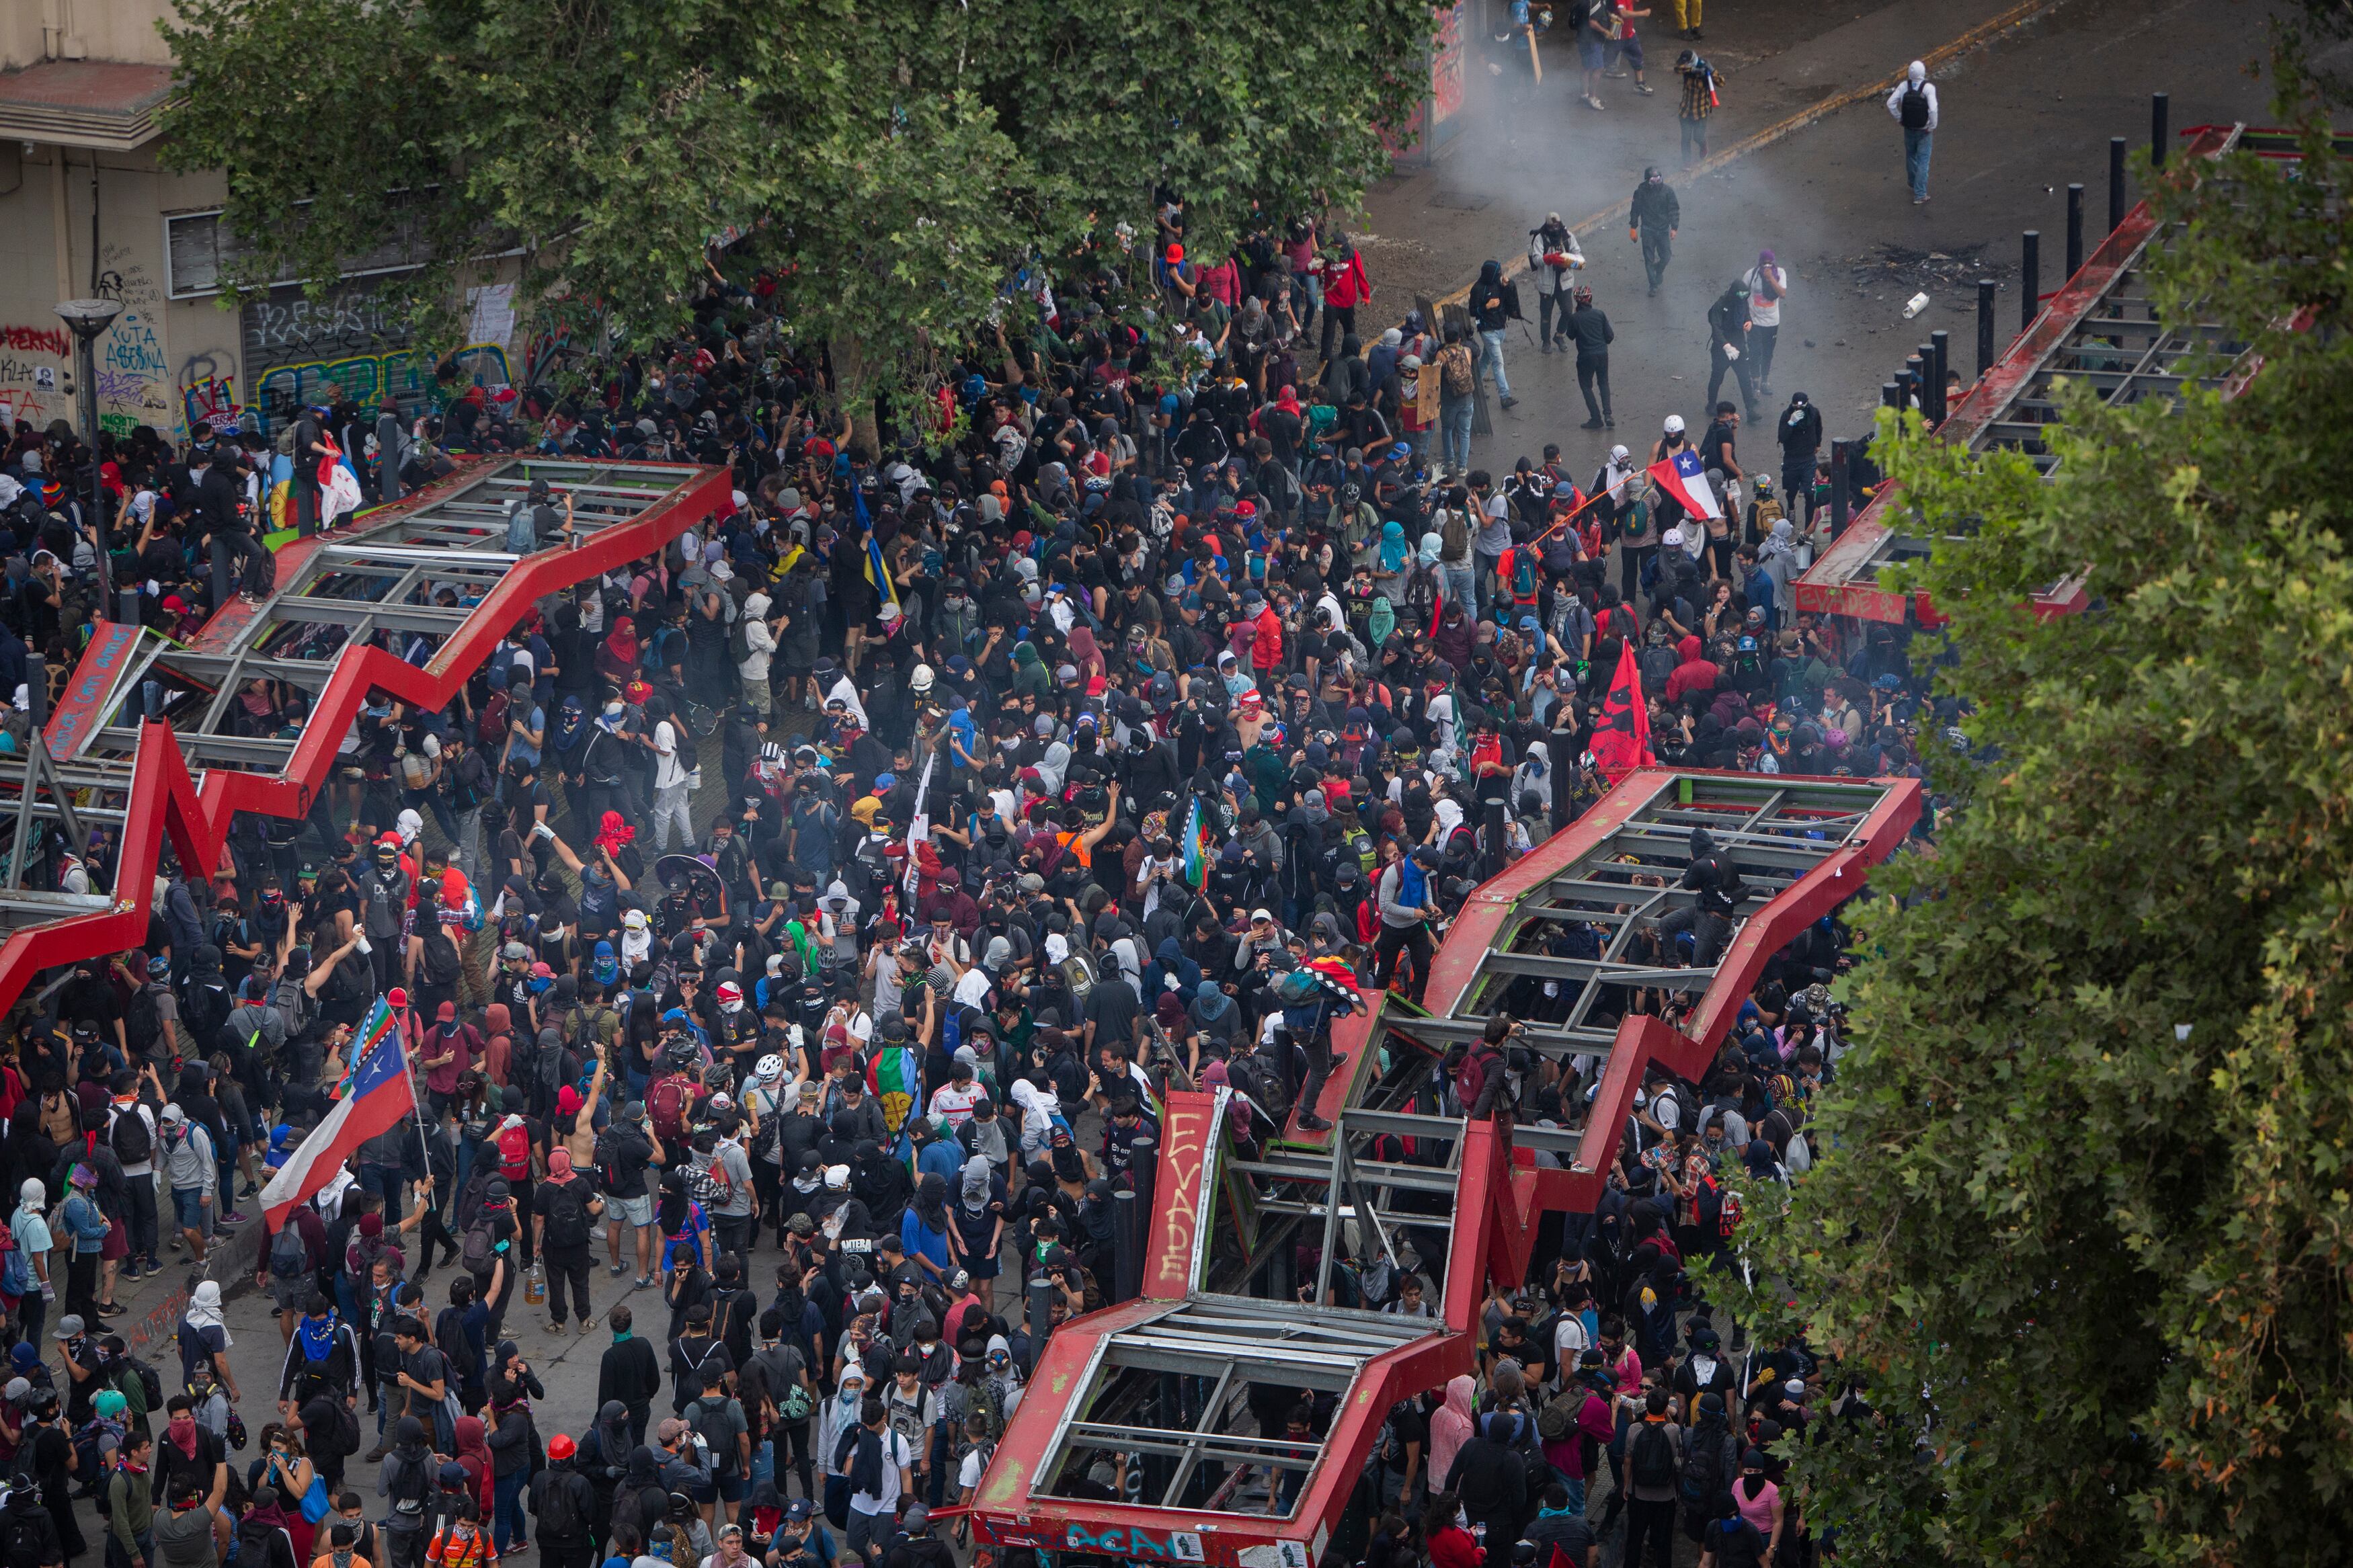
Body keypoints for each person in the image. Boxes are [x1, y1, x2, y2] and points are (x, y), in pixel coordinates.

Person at [1467, 261, 1519, 413]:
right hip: (1488, 331)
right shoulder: (1477, 289)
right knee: (1498, 362)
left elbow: (1511, 297)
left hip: (1500, 329)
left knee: (1486, 360)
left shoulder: (1499, 284)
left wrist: (1508, 284)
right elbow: (1473, 311)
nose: (1499, 276)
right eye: (1497, 274)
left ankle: (1473, 387)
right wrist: (1486, 307)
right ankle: (1505, 396)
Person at [1886, 59, 1939, 204]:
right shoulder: (1928, 88)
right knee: (1923, 161)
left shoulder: (1904, 86)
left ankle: (1912, 181)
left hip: (1908, 128)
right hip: (1924, 130)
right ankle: (1920, 194)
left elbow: (1890, 103)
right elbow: (1933, 110)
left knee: (1911, 156)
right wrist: (1932, 126)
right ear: (1923, 73)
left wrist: (1899, 118)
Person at [1529, 216, 1585, 349]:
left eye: (1557, 226)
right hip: (1547, 284)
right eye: (1551, 227)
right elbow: (1536, 259)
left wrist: (1568, 260)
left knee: (1568, 312)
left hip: (1564, 283)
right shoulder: (1540, 239)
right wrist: (1549, 259)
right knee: (1546, 315)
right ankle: (1546, 341)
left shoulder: (1567, 236)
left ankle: (1559, 335)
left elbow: (1578, 255)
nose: (1554, 229)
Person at [1740, 251, 1787, 398]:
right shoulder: (1751, 275)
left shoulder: (1780, 273)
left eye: (1770, 263)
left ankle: (1765, 381)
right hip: (1754, 321)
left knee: (1768, 353)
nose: (1767, 265)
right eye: (1764, 263)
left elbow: (1782, 294)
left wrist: (1771, 278)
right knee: (1754, 352)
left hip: (1772, 321)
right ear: (1759, 262)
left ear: (1774, 262)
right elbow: (1742, 293)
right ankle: (1756, 384)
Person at [1566, 287, 1615, 430]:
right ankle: (1608, 415)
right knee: (1603, 383)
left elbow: (1570, 335)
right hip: (1602, 354)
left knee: (1586, 386)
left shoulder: (1575, 318)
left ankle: (1596, 418)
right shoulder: (1600, 314)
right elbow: (1610, 336)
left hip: (1585, 357)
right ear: (1590, 299)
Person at [1629, 169, 1679, 296]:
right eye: (1653, 180)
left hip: (1663, 230)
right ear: (1647, 181)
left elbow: (1673, 210)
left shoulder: (1668, 192)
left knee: (1666, 256)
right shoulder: (1640, 193)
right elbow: (1635, 210)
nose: (1657, 182)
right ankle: (1653, 285)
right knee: (1649, 259)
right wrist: (1633, 228)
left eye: (1659, 179)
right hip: (1648, 230)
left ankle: (1659, 269)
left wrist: (1674, 228)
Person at [1675, 50, 1718, 167]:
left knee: (1698, 137)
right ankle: (1687, 162)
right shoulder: (1687, 70)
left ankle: (1703, 144)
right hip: (1685, 111)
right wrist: (1693, 70)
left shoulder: (1706, 71)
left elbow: (1721, 82)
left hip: (1700, 113)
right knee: (1685, 139)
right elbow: (1677, 69)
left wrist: (1712, 71)